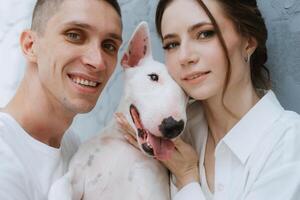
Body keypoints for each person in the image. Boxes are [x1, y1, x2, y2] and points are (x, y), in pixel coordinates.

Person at [116, 0, 300, 199]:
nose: (184, 57)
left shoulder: (289, 144)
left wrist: (187, 179)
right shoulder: (170, 130)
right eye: (172, 44)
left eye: (204, 34)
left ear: (248, 41)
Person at [0, 0, 122, 199]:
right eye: (74, 35)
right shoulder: (4, 153)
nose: (97, 61)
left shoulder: (72, 146)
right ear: (30, 45)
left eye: (109, 46)